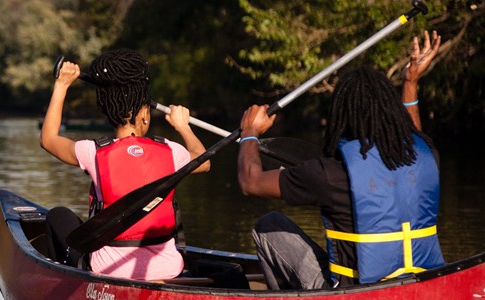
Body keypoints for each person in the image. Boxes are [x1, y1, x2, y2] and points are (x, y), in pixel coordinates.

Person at [235, 31, 444, 289]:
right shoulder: (426, 157)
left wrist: (249, 133)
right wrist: (410, 82)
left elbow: (250, 182)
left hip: (352, 291)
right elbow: (412, 138)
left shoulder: (330, 174)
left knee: (268, 225)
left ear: (341, 115)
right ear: (393, 114)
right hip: (420, 285)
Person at [40, 49, 211, 281]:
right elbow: (203, 159)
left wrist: (62, 85)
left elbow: (48, 140)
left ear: (108, 114)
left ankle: (66, 283)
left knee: (58, 216)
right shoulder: (172, 152)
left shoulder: (93, 151)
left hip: (110, 272)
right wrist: (183, 126)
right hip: (169, 269)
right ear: (144, 116)